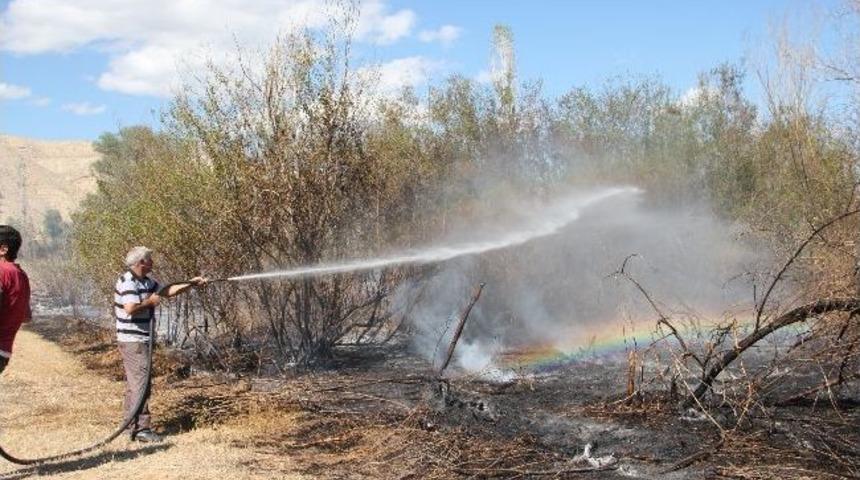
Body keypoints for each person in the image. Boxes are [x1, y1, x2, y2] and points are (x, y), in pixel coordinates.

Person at [115, 246, 206, 443]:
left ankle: (131, 425)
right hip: (133, 342)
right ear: (141, 263)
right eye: (149, 260)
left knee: (136, 384)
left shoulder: (146, 282)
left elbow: (167, 291)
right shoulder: (128, 282)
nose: (153, 263)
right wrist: (149, 303)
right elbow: (130, 308)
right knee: (141, 384)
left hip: (141, 340)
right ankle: (141, 429)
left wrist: (191, 284)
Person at [0, 225, 31, 375]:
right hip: (4, 352)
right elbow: (26, 317)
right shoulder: (22, 276)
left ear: (3, 249)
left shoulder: (2, 271)